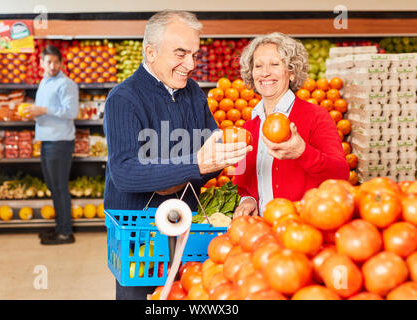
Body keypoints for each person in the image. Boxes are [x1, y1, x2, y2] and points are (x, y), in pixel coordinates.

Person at [103, 10, 252, 300]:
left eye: (194, 54)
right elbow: (124, 172)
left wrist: (201, 165)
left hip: (188, 230)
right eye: (181, 54)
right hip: (138, 236)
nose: (191, 64)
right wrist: (193, 165)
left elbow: (212, 154)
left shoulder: (193, 92)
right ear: (151, 52)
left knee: (187, 295)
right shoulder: (123, 99)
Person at [233, 32, 349, 218]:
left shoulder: (316, 116)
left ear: (292, 72)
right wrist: (248, 199)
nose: (265, 72)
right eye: (258, 65)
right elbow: (242, 184)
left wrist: (302, 152)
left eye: (275, 64)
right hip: (257, 231)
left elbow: (341, 174)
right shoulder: (247, 128)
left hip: (303, 230)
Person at [25, 45, 79, 245]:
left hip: (60, 142)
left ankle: (65, 232)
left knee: (59, 187)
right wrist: (35, 112)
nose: (53, 65)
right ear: (42, 63)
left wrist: (42, 110)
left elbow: (71, 111)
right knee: (53, 187)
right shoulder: (45, 82)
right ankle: (59, 227)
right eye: (49, 61)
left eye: (56, 61)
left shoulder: (66, 84)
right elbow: (47, 111)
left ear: (61, 63)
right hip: (47, 140)